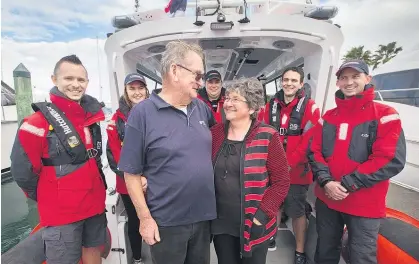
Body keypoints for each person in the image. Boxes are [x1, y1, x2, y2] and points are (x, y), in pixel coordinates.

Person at [117, 40, 217, 264]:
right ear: (175, 70)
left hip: (204, 218)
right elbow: (131, 173)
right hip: (166, 223)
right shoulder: (142, 114)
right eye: (197, 75)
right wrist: (145, 219)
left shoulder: (201, 108)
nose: (200, 83)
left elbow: (222, 139)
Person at [11, 55, 107, 264]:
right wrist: (50, 195)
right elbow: (22, 173)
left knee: (93, 251)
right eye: (68, 78)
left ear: (87, 83)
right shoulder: (35, 123)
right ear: (54, 79)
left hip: (95, 205)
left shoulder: (91, 119)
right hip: (61, 215)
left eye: (81, 80)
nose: (75, 84)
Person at [308, 59, 406, 264]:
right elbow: (314, 151)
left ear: (367, 79)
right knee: (324, 251)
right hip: (328, 200)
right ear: (338, 82)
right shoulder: (328, 117)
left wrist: (345, 184)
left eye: (355, 76)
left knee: (361, 258)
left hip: (364, 205)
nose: (349, 82)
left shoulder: (385, 115)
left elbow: (389, 159)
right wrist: (326, 182)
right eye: (344, 77)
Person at [211, 77, 290, 264]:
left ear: (252, 108)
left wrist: (261, 215)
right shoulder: (215, 133)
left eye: (235, 99)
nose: (228, 104)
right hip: (221, 221)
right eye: (227, 98)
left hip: (254, 221)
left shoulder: (268, 135)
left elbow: (281, 180)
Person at [258, 67, 320, 264]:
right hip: (272, 169)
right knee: (274, 205)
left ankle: (300, 251)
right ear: (281, 82)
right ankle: (270, 237)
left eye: (294, 80)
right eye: (285, 80)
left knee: (297, 211)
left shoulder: (311, 107)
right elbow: (262, 131)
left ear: (301, 84)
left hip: (297, 172)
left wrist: (288, 164)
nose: (289, 83)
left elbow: (310, 140)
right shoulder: (270, 106)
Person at [106, 73, 150, 264]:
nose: (137, 92)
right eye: (132, 88)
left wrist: (149, 176)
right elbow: (116, 154)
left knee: (161, 218)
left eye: (140, 88)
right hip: (127, 182)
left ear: (146, 90)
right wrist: (136, 177)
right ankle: (138, 258)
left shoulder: (157, 112)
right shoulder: (115, 119)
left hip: (155, 179)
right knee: (135, 220)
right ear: (125, 91)